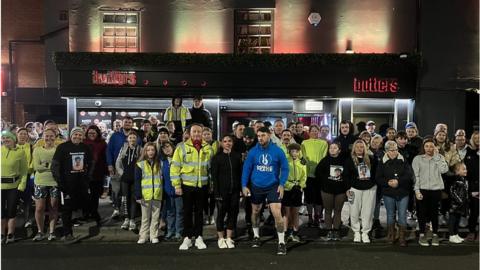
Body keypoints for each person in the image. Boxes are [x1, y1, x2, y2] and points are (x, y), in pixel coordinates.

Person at [241, 127, 289, 255]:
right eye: (258, 136)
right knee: (255, 212)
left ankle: (281, 242)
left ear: (269, 135)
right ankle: (256, 236)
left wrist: (282, 184)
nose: (260, 138)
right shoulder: (252, 152)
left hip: (273, 186)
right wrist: (244, 185)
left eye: (263, 135)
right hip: (256, 186)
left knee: (276, 213)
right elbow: (246, 169)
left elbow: (285, 168)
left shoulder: (278, 151)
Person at [171, 123, 214, 250]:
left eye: (199, 132)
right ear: (189, 133)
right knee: (187, 212)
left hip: (203, 186)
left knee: (200, 212)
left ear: (202, 133)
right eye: (194, 132)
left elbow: (210, 169)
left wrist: (211, 185)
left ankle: (199, 237)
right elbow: (175, 168)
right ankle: (187, 238)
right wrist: (177, 186)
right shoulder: (181, 148)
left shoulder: (208, 148)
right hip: (187, 186)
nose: (196, 134)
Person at [51, 127, 93, 242]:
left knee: (79, 207)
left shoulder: (85, 148)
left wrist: (88, 177)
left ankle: (72, 228)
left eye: (80, 135)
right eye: (75, 135)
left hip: (81, 183)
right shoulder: (62, 147)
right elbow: (55, 166)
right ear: (71, 135)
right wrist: (60, 182)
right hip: (66, 184)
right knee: (66, 209)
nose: (77, 137)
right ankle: (67, 234)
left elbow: (91, 163)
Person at [375, 141, 413, 247]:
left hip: (402, 192)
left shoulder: (403, 160)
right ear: (386, 151)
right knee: (390, 215)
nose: (395, 152)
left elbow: (408, 175)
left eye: (396, 149)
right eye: (392, 150)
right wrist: (387, 183)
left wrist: (398, 182)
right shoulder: (382, 162)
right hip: (388, 192)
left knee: (402, 215)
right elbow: (378, 178)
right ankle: (391, 235)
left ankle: (402, 237)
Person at [412, 138, 449, 247]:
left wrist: (437, 157)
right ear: (423, 147)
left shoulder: (440, 158)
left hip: (436, 190)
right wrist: (417, 191)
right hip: (422, 189)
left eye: (431, 146)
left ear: (435, 147)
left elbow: (444, 170)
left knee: (434, 214)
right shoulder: (417, 159)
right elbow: (415, 176)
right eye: (427, 146)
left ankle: (435, 234)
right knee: (422, 213)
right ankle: (422, 234)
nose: (429, 148)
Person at [211, 135, 242, 249]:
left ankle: (229, 238)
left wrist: (240, 190)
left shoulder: (237, 156)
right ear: (221, 143)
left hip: (234, 191)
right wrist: (217, 193)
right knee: (221, 214)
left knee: (233, 214)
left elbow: (240, 174)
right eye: (225, 141)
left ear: (232, 143)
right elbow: (214, 177)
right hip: (222, 192)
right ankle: (220, 238)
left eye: (229, 141)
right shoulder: (217, 158)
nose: (228, 143)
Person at [107, 116, 141, 219]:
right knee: (117, 191)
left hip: (131, 170)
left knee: (129, 193)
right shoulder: (115, 136)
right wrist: (110, 164)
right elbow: (109, 150)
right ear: (122, 123)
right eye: (125, 122)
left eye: (129, 122)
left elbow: (140, 152)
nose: (127, 124)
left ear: (132, 124)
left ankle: (129, 214)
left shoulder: (137, 137)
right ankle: (117, 209)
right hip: (117, 168)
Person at [344, 139, 377, 243]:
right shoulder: (349, 160)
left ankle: (365, 233)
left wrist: (372, 181)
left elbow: (377, 174)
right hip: (354, 188)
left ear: (365, 148)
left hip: (369, 188)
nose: (359, 149)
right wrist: (347, 189)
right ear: (354, 148)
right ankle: (356, 232)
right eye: (357, 147)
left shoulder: (371, 159)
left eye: (361, 147)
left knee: (367, 212)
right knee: (354, 212)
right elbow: (346, 176)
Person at [316, 142, 348, 241]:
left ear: (339, 150)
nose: (332, 149)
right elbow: (318, 173)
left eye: (335, 148)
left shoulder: (344, 161)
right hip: (327, 190)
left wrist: (345, 186)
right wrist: (325, 182)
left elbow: (348, 175)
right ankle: (329, 231)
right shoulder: (324, 161)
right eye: (331, 148)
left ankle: (336, 231)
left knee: (338, 211)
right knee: (328, 211)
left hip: (340, 191)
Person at [32, 128, 59, 241]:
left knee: (53, 207)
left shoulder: (58, 149)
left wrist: (45, 165)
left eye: (51, 136)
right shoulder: (37, 149)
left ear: (55, 137)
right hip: (40, 182)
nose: (49, 138)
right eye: (46, 136)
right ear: (42, 137)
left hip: (55, 182)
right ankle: (40, 231)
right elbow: (36, 167)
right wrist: (51, 166)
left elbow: (58, 166)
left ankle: (52, 232)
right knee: (39, 208)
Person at [1, 130, 28, 244]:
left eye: (8, 138)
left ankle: (10, 234)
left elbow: (24, 171)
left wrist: (21, 185)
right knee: (1, 212)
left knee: (12, 210)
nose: (5, 140)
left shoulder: (20, 152)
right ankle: (1, 234)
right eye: (3, 138)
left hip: (14, 186)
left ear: (13, 139)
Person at [134, 142, 162, 244]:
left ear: (155, 151)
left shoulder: (159, 163)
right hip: (145, 195)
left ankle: (153, 235)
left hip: (157, 194)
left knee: (155, 217)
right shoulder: (140, 164)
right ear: (145, 151)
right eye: (148, 150)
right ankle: (143, 236)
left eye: (152, 150)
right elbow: (137, 181)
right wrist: (138, 195)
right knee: (145, 218)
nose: (150, 152)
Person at [301, 125, 328, 227]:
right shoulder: (304, 143)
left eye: (316, 131)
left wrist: (319, 169)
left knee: (318, 198)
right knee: (308, 197)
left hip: (319, 174)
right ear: (309, 132)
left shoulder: (324, 143)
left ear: (319, 132)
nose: (314, 132)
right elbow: (302, 157)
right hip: (307, 173)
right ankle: (310, 217)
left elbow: (324, 157)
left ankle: (317, 216)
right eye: (312, 131)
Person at [116, 131, 142, 231]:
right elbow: (118, 162)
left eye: (134, 137)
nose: (132, 139)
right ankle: (126, 219)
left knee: (134, 199)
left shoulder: (140, 149)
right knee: (125, 199)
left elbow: (143, 163)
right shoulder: (123, 148)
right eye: (130, 137)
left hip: (135, 179)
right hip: (125, 179)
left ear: (137, 139)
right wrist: (121, 172)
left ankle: (132, 220)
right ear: (128, 139)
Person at [83, 125, 107, 226]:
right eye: (90, 133)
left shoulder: (102, 143)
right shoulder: (83, 143)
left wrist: (106, 171)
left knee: (95, 195)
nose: (91, 134)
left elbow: (105, 157)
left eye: (94, 133)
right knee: (85, 195)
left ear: (97, 133)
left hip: (98, 173)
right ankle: (87, 214)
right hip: (84, 173)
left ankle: (94, 213)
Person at [283, 143, 306, 243]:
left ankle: (295, 232)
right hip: (287, 189)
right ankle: (286, 232)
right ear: (289, 151)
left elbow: (304, 176)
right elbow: (282, 175)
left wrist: (300, 186)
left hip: (298, 189)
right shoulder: (285, 161)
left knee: (295, 212)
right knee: (286, 213)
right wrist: (290, 186)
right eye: (292, 151)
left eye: (296, 151)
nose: (295, 153)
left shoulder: (302, 162)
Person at [160, 142, 183, 241]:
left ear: (172, 147)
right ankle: (170, 231)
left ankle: (179, 232)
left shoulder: (179, 158)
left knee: (179, 212)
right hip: (167, 191)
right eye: (164, 149)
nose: (167, 150)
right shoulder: (162, 161)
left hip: (178, 191)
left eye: (168, 147)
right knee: (170, 212)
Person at [16, 128, 35, 228]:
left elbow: (33, 160)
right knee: (15, 198)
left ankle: (28, 219)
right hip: (15, 177)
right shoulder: (13, 147)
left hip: (27, 176)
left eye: (25, 134)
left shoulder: (31, 146)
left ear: (27, 136)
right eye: (21, 134)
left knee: (27, 199)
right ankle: (16, 220)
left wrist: (28, 170)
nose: (23, 136)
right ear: (17, 135)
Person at [448, 163, 469, 244]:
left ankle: (456, 234)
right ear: (457, 171)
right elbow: (452, 191)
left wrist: (465, 201)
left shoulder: (464, 180)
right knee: (452, 220)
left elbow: (465, 192)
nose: (465, 171)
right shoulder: (455, 180)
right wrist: (459, 200)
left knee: (457, 220)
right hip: (454, 205)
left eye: (466, 169)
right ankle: (451, 235)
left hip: (461, 205)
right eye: (463, 169)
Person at [202, 127, 219, 225]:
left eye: (208, 134)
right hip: (203, 172)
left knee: (213, 196)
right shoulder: (200, 145)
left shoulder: (216, 143)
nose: (206, 136)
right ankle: (205, 214)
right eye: (204, 134)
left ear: (211, 134)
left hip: (214, 172)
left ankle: (211, 215)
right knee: (204, 196)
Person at [464, 137, 479, 241]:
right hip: (473, 186)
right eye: (476, 139)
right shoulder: (469, 153)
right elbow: (467, 172)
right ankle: (472, 231)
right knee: (474, 210)